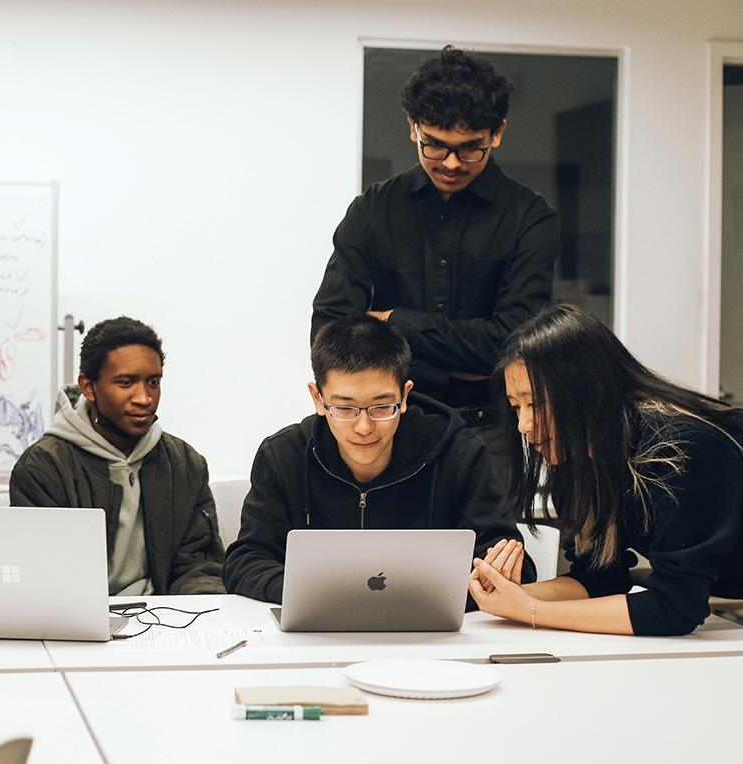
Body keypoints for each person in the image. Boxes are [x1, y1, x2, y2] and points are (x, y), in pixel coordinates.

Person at [311, 45, 560, 460]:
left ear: (497, 132)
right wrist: (454, 365)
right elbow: (330, 335)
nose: (450, 163)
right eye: (434, 144)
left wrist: (394, 323)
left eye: (469, 148)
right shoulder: (373, 211)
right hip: (387, 428)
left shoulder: (530, 218)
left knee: (488, 530)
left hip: (491, 434)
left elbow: (513, 345)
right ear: (413, 127)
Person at [469, 304, 743, 636]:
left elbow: (676, 609)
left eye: (536, 403)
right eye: (516, 407)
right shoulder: (578, 458)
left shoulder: (677, 446)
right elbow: (599, 577)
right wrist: (510, 596)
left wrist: (529, 610)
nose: (523, 425)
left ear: (585, 391)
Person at [223, 315, 533, 604]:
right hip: (316, 632)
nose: (364, 427)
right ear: (318, 398)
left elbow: (508, 558)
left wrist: (440, 594)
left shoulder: (459, 454)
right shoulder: (283, 456)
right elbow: (247, 559)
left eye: (382, 407)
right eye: (345, 408)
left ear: (405, 395)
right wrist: (320, 596)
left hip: (430, 637)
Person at [9, 316, 224, 595]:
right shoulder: (44, 468)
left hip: (166, 621)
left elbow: (199, 566)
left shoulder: (185, 464)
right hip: (81, 621)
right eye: (126, 383)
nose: (144, 398)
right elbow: (42, 577)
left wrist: (194, 618)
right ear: (88, 387)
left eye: (153, 382)